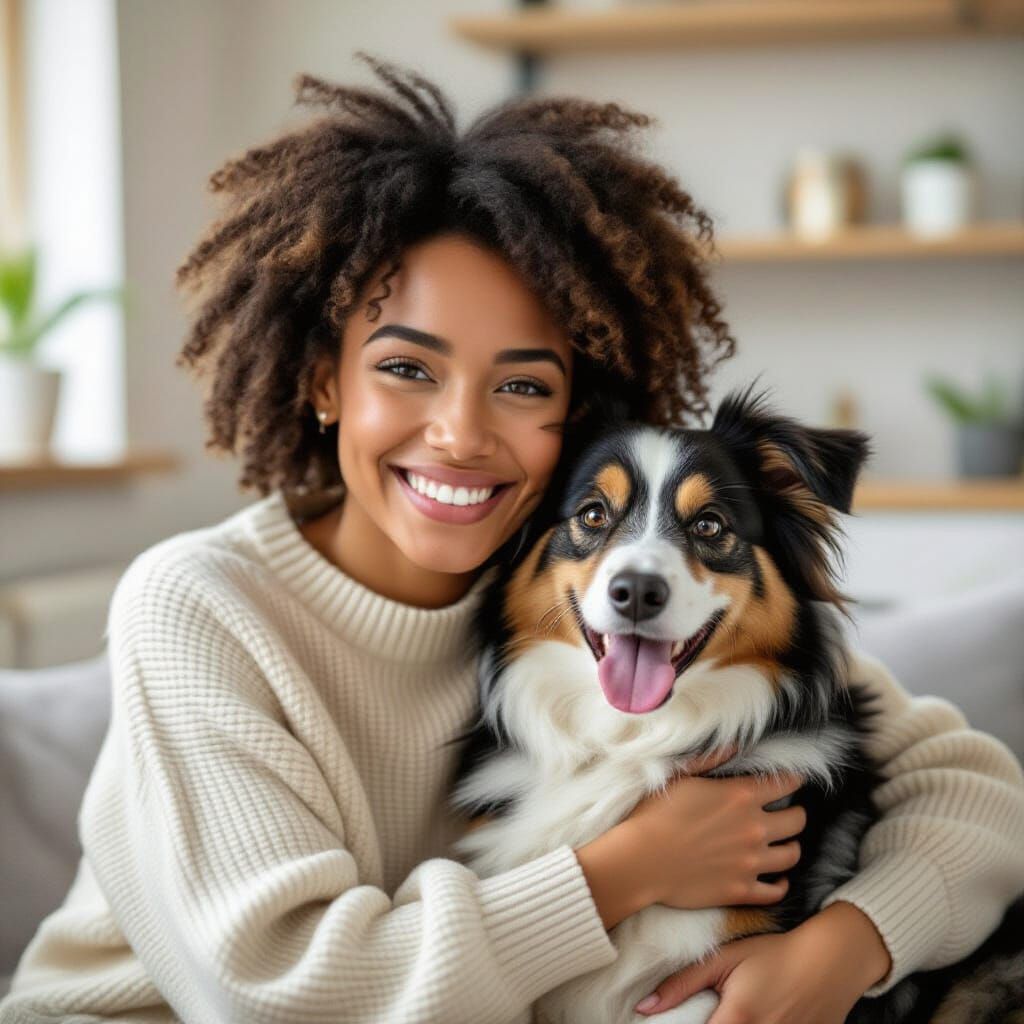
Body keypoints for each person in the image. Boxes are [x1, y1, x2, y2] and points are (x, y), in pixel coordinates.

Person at [2, 52, 1022, 1024]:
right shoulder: (201, 603)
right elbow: (275, 995)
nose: (459, 433)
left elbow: (972, 785)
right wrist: (627, 868)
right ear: (323, 380)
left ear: (572, 415)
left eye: (523, 385)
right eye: (407, 368)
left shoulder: (571, 582)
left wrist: (847, 943)